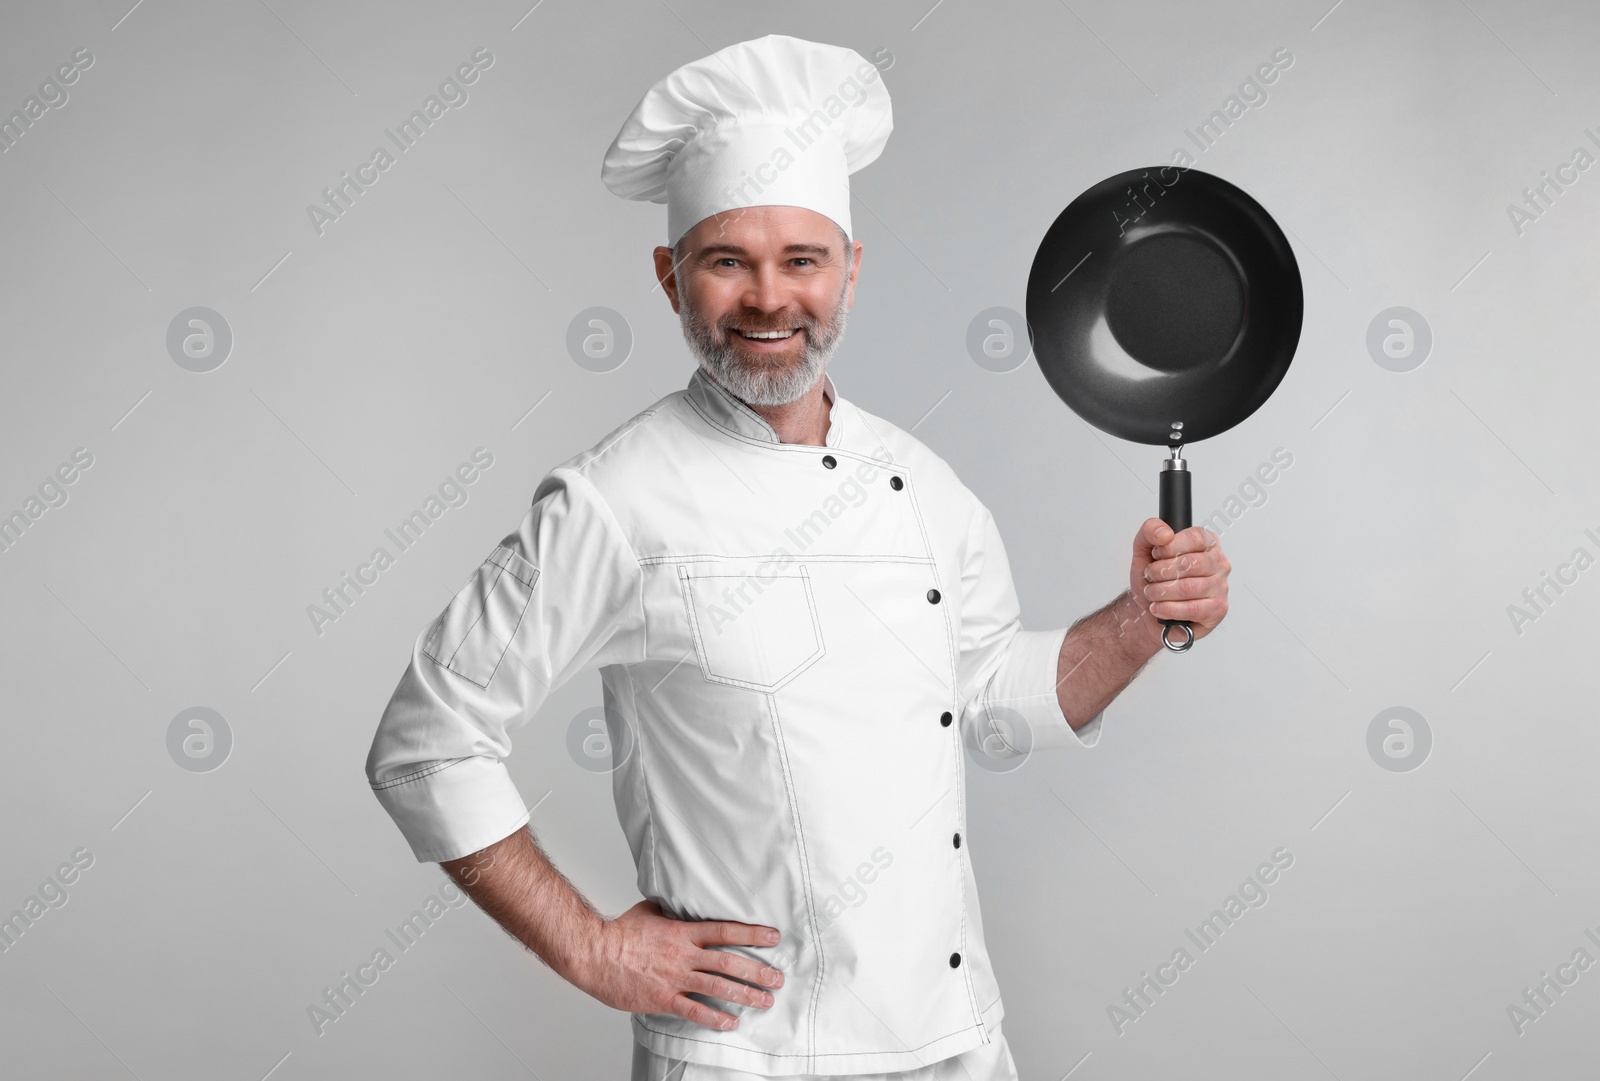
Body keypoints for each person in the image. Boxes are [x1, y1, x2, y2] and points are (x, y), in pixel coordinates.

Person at [365, 33, 1230, 1080]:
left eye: (802, 260)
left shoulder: (923, 485)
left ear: (851, 272)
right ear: (668, 276)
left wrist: (1138, 621)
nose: (770, 300)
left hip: (956, 1041)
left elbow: (994, 696)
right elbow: (428, 740)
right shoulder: (614, 498)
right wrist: (591, 947)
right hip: (752, 1060)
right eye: (728, 261)